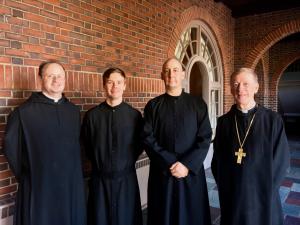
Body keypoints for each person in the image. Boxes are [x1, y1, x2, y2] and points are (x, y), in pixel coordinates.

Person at [3, 60, 86, 225]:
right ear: (40, 79)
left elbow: (79, 148)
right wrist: (32, 174)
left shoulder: (73, 111)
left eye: (60, 76)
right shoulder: (23, 113)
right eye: (50, 76)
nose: (56, 80)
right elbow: (11, 150)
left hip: (70, 187)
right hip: (40, 186)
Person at [212, 68, 290, 225]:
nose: (240, 89)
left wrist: (265, 189)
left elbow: (282, 161)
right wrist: (226, 187)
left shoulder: (273, 121)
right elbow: (217, 161)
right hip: (233, 195)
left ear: (256, 87)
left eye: (246, 84)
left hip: (263, 195)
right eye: (236, 84)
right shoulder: (224, 122)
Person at [142, 57, 212, 225]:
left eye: (175, 70)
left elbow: (205, 137)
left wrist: (186, 165)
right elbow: (147, 138)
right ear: (161, 76)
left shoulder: (197, 104)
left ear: (182, 74)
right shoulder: (153, 106)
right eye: (166, 71)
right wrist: (170, 163)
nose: (171, 74)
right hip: (163, 172)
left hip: (190, 172)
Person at [81, 67, 143, 225]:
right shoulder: (92, 116)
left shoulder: (135, 116)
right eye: (110, 82)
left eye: (119, 82)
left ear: (125, 85)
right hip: (100, 180)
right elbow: (87, 146)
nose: (114, 86)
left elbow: (139, 145)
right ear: (104, 85)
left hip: (126, 179)